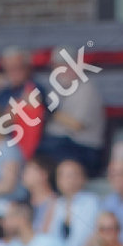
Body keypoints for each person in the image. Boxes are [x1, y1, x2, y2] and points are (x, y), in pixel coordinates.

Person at [39, 41, 106, 175]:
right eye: (58, 65)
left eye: (67, 65)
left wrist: (46, 108)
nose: (63, 69)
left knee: (45, 152)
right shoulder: (56, 89)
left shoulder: (87, 89)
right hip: (60, 143)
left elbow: (77, 125)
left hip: (84, 148)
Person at [0, 44, 45, 160]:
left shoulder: (34, 88)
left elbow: (6, 121)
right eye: (9, 68)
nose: (14, 72)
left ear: (27, 67)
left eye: (18, 67)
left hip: (20, 149)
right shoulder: (4, 92)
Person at [47, 158, 100, 246]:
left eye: (72, 175)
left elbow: (89, 238)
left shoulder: (91, 202)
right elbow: (50, 237)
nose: (67, 180)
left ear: (83, 178)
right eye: (63, 176)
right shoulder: (57, 204)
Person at [21, 158, 58, 233]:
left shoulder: (56, 203)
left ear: (43, 174)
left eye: (28, 171)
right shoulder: (21, 203)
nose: (23, 175)